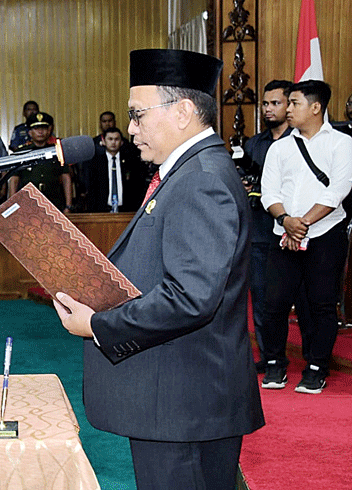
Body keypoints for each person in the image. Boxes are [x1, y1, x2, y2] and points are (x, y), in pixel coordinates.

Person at [53, 49, 264, 490]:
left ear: (183, 112)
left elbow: (189, 298)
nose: (129, 129)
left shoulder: (201, 178)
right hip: (180, 397)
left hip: (183, 402)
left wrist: (98, 324)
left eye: (137, 115)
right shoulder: (185, 171)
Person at [259, 79, 352, 394]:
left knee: (322, 305)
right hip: (283, 235)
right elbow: (268, 192)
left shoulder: (342, 143)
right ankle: (275, 364)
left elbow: (338, 190)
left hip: (326, 235)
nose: (288, 109)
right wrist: (287, 221)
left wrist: (303, 223)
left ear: (315, 107)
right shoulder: (280, 147)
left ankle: (316, 367)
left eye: (294, 103)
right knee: (274, 304)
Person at [241, 79, 293, 369]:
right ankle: (270, 355)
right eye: (265, 103)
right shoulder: (253, 144)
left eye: (276, 103)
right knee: (260, 298)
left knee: (304, 301)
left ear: (290, 105)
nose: (269, 109)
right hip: (259, 230)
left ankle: (313, 361)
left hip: (295, 229)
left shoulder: (299, 143)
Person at [8, 112, 73, 213]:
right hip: (27, 203)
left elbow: (66, 178)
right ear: (30, 132)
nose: (40, 132)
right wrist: (12, 205)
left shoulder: (57, 151)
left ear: (49, 131)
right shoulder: (21, 153)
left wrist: (68, 206)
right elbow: (14, 180)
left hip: (53, 203)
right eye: (36, 128)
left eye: (44, 128)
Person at [83, 126, 144, 212]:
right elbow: (91, 190)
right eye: (110, 139)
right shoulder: (95, 163)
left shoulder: (131, 162)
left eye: (116, 139)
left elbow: (137, 188)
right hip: (101, 211)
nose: (113, 142)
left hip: (127, 210)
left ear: (122, 142)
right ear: (104, 141)